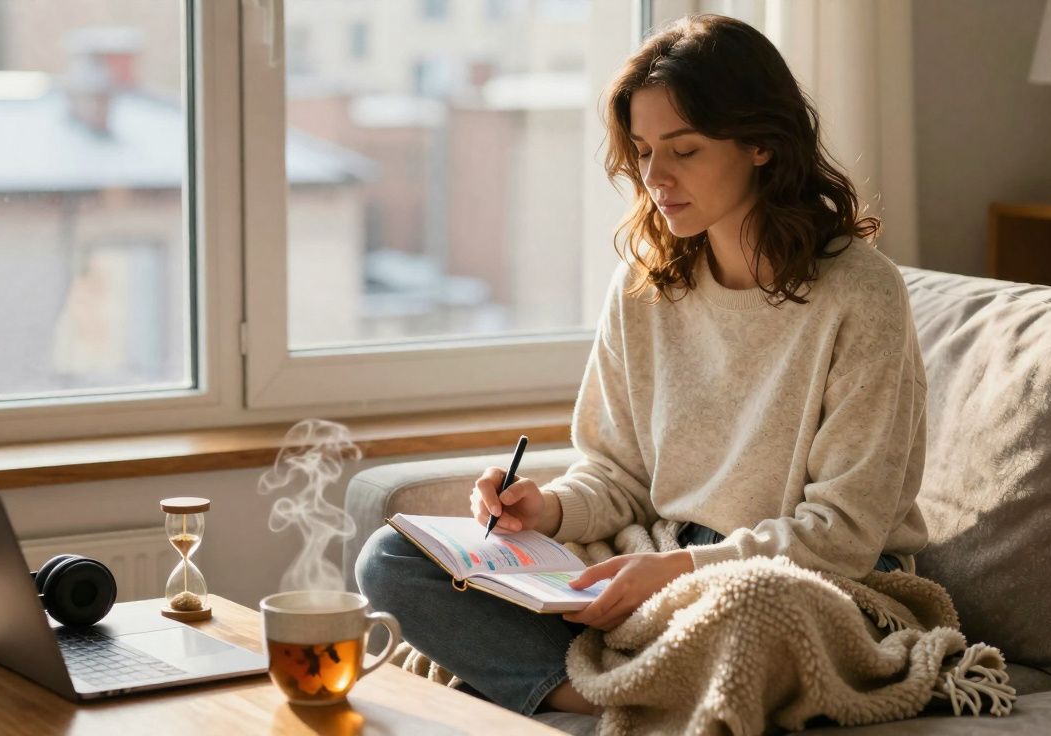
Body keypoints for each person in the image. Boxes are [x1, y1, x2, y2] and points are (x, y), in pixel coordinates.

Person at [355, 13, 928, 718]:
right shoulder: (644, 285)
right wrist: (550, 509)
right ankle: (618, 696)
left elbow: (841, 535)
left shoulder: (861, 294)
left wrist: (681, 572)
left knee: (757, 606)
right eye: (644, 150)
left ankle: (601, 692)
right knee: (391, 560)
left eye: (683, 150)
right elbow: (617, 473)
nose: (655, 176)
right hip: (663, 558)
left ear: (761, 146)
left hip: (808, 581)